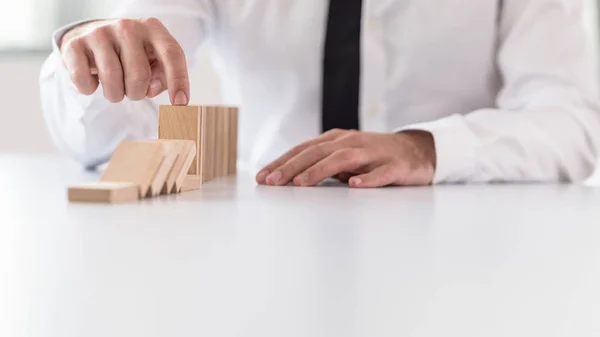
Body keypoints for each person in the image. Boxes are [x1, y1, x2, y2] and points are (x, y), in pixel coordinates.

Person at [40, 0, 600, 188]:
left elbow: (571, 122)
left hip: (468, 243)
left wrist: (426, 148)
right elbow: (108, 143)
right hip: (261, 241)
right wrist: (94, 58)